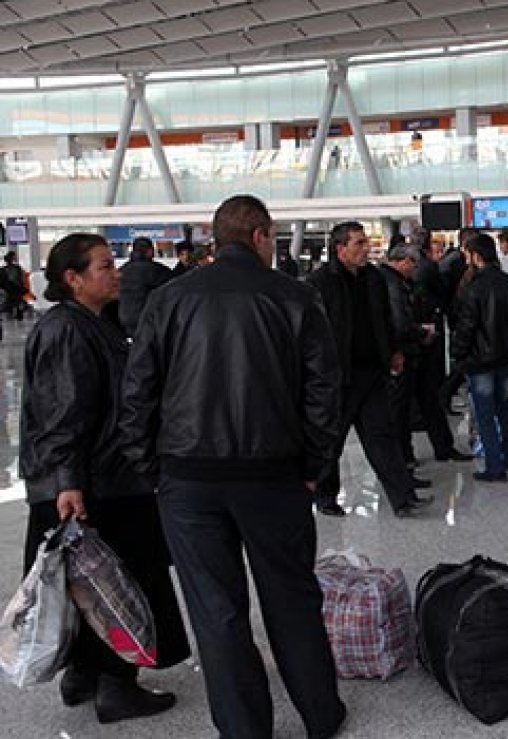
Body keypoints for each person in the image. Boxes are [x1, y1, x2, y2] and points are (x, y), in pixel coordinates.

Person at [120, 195, 346, 738]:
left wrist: (151, 468)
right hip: (275, 474)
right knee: (291, 596)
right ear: (261, 235)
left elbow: (138, 391)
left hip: (187, 478)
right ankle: (320, 714)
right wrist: (315, 465)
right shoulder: (294, 296)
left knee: (215, 609)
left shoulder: (169, 299)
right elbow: (324, 392)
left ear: (216, 239)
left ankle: (245, 729)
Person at [21, 233, 189, 725]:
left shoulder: (96, 323)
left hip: (101, 478)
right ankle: (117, 684)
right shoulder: (67, 331)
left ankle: (84, 674)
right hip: (97, 485)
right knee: (120, 583)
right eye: (103, 267)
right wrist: (68, 482)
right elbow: (63, 412)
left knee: (87, 583)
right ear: (73, 279)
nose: (116, 273)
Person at [306, 221, 432, 518]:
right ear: (340, 249)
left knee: (382, 435)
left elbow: (385, 319)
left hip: (372, 370)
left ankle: (403, 498)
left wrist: (393, 351)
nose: (366, 248)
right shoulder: (320, 283)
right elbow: (313, 333)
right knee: (332, 440)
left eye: (366, 242)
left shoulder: (373, 278)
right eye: (359, 243)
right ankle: (325, 497)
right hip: (339, 376)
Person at [451, 233, 508, 483]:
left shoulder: (474, 288)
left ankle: (494, 466)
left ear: (476, 256)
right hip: (507, 356)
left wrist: (457, 353)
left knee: (485, 412)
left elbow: (467, 327)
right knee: (504, 405)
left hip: (481, 358)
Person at [413, 232, 471, 461]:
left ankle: (412, 453)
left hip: (418, 337)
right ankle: (440, 447)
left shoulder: (406, 277)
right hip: (424, 336)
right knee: (429, 392)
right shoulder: (429, 268)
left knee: (425, 396)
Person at [382, 243, 427, 467]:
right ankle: (403, 458)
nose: (415, 270)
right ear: (405, 261)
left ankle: (403, 456)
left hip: (396, 349)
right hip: (400, 351)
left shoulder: (385, 279)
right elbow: (400, 322)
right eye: (414, 265)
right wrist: (420, 332)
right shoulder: (394, 284)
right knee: (400, 408)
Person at [118, 237, 173, 338]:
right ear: (150, 251)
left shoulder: (121, 271)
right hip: (148, 322)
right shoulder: (158, 271)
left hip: (123, 323)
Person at [1, 251, 29, 319]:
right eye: (13, 257)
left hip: (14, 288)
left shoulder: (16, 268)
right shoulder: (4, 269)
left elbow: (20, 280)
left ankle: (12, 309)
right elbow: (2, 281)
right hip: (9, 287)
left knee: (14, 295)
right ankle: (18, 309)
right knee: (16, 295)